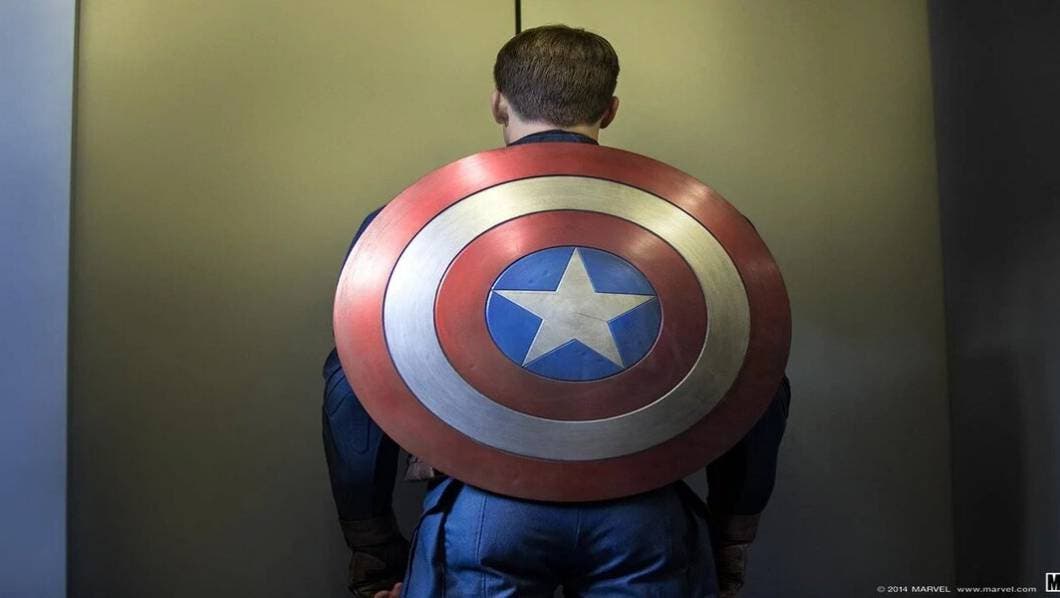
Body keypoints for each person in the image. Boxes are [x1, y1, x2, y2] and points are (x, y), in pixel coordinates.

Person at [321, 25, 791, 598]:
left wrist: (373, 549)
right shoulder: (700, 228)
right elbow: (758, 383)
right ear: (610, 110)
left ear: (498, 102)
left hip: (483, 513)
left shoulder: (408, 229)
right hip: (645, 515)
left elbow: (354, 389)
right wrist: (730, 538)